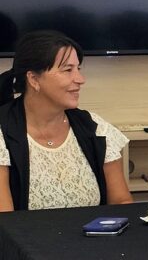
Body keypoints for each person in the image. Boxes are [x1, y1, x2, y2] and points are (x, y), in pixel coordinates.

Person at [0, 31, 132, 211]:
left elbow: (121, 204)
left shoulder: (95, 127)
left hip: (95, 239)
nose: (80, 79)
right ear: (33, 79)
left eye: (78, 69)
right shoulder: (3, 131)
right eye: (68, 70)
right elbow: (4, 222)